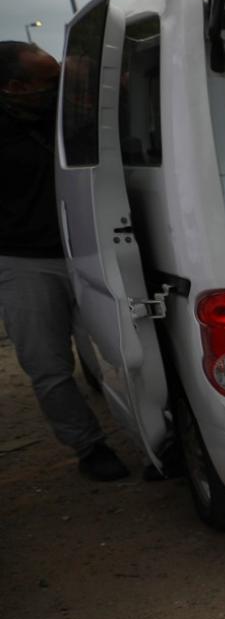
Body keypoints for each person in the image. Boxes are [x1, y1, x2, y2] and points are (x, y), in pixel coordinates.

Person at [0, 41, 128, 481]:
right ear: (15, 87)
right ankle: (89, 446)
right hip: (26, 263)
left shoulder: (66, 114)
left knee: (125, 347)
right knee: (48, 365)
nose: (58, 88)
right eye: (49, 81)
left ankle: (152, 432)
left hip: (90, 251)